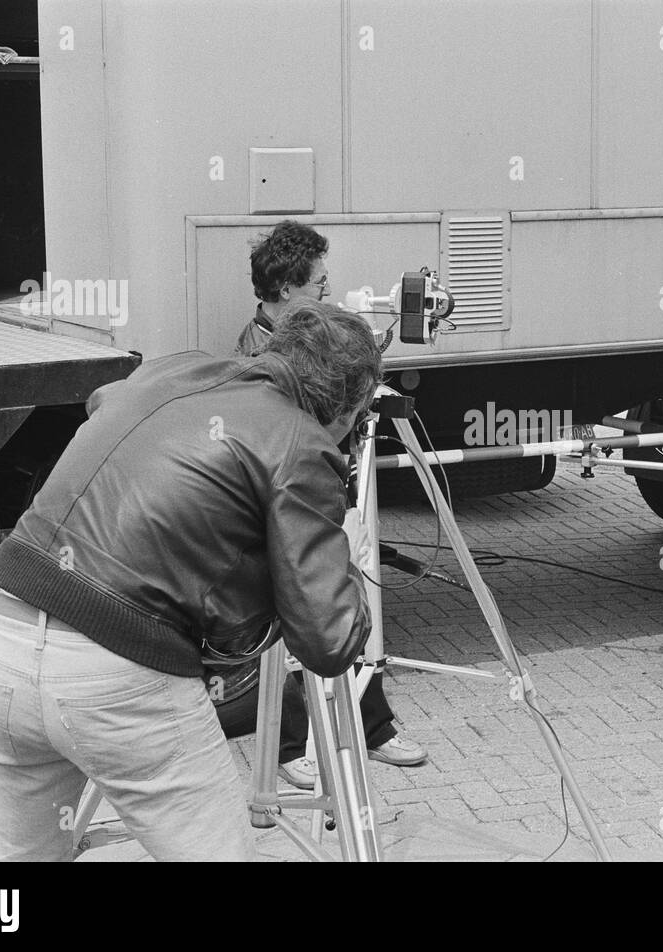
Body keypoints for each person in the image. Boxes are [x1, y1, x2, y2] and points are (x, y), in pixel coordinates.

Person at [0, 306, 381, 860]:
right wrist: (347, 551)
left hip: (4, 624)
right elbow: (328, 642)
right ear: (346, 405)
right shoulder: (300, 441)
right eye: (356, 418)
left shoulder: (181, 367)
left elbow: (103, 403)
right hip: (115, 668)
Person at [238, 221, 427, 789]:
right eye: (318, 283)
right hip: (286, 498)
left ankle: (374, 725)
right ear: (286, 287)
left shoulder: (313, 335)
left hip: (320, 486)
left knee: (343, 597)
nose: (327, 290)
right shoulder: (258, 350)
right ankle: (289, 744)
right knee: (294, 619)